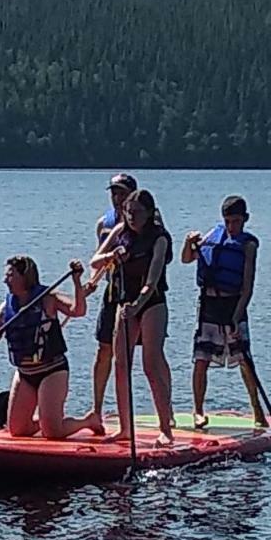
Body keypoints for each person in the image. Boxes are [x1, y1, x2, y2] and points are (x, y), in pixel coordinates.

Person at [0, 256, 102, 439]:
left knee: (53, 433)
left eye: (10, 275)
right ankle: (47, 420)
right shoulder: (7, 307)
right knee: (18, 431)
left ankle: (88, 421)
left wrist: (76, 282)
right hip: (25, 373)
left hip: (52, 370)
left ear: (24, 276)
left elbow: (78, 310)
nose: (5, 280)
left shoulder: (48, 298)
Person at [91, 188, 176, 447]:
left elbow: (152, 282)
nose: (131, 217)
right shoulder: (120, 232)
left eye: (137, 212)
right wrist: (111, 255)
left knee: (150, 363)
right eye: (128, 212)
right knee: (120, 364)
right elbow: (95, 262)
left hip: (151, 303)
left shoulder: (159, 238)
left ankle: (165, 428)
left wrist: (137, 305)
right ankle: (126, 428)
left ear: (149, 213)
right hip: (125, 302)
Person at [181, 194, 265, 428]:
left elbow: (247, 287)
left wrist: (237, 317)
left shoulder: (248, 245)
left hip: (233, 307)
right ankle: (198, 410)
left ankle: (256, 408)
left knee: (244, 361)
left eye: (236, 221)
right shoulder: (211, 236)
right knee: (201, 359)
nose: (231, 226)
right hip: (209, 306)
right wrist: (188, 243)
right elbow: (186, 259)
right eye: (228, 221)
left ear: (245, 219)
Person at [88, 172, 136, 427]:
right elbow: (99, 259)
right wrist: (91, 282)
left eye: (122, 193)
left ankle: (166, 412)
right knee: (103, 348)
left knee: (150, 356)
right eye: (114, 193)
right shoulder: (104, 224)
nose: (117, 198)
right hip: (112, 292)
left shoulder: (146, 221)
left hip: (137, 296)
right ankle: (97, 408)